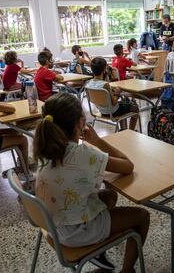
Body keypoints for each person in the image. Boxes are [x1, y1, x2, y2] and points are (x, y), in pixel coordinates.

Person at [34, 92, 150, 273]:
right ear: (80, 123)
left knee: (110, 195)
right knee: (142, 216)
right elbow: (127, 166)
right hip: (76, 232)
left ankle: (100, 247)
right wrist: (97, 141)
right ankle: (126, 271)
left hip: (53, 226)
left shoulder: (44, 150)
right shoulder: (82, 154)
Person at [87, 57, 140, 130]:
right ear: (105, 69)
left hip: (102, 111)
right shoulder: (105, 85)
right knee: (135, 107)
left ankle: (123, 129)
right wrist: (117, 93)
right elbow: (114, 102)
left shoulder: (89, 84)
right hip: (113, 112)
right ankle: (131, 131)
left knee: (122, 104)